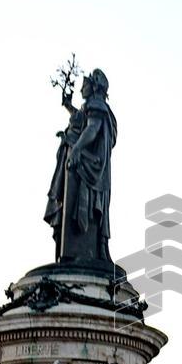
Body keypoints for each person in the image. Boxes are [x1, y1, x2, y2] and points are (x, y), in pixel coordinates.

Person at [44, 68, 118, 263]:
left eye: (84, 85)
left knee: (83, 208)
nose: (80, 90)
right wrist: (68, 106)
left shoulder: (97, 106)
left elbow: (92, 129)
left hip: (88, 168)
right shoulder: (94, 106)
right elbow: (83, 120)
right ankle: (83, 250)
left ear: (94, 87)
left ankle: (82, 250)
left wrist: (76, 149)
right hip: (84, 166)